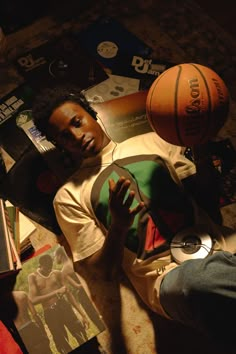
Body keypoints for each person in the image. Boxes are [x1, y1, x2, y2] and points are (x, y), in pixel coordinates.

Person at [32, 84, 236, 349]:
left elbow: (208, 204)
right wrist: (119, 224)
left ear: (92, 114)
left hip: (225, 249)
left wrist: (202, 150)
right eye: (65, 136)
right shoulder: (69, 195)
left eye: (77, 122)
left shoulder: (155, 140)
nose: (77, 135)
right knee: (198, 280)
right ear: (60, 145)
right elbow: (103, 272)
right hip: (169, 279)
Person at [28, 253, 88, 353]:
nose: (49, 270)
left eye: (50, 267)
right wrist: (56, 292)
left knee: (80, 333)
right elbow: (33, 300)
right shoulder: (33, 277)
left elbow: (69, 294)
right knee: (61, 342)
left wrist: (83, 315)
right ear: (40, 265)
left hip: (64, 306)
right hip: (50, 313)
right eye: (46, 268)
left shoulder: (57, 273)